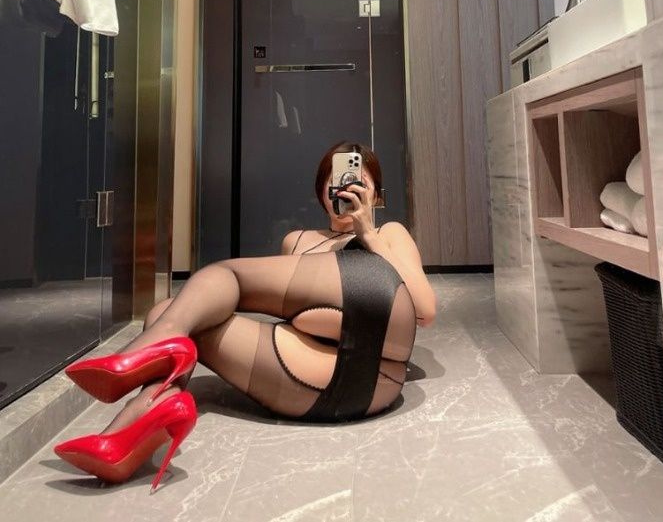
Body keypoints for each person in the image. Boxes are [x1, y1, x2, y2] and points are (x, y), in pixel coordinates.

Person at [54, 141, 437, 491]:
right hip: (313, 380)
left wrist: (368, 234)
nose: (346, 188)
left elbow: (423, 309)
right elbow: (297, 323)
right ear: (322, 191)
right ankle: (126, 436)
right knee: (166, 311)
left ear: (377, 195)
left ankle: (139, 354)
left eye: (359, 182)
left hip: (377, 372)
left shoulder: (390, 233)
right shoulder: (298, 241)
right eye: (336, 180)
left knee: (225, 276)